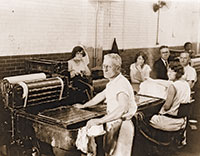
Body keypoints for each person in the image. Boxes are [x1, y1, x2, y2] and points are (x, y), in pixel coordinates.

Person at [74, 53, 137, 156]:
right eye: (104, 66)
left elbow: (122, 108)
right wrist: (84, 106)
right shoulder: (112, 82)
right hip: (114, 123)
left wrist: (99, 120)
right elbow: (101, 95)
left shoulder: (121, 84)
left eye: (109, 66)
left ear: (118, 68)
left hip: (122, 126)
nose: (105, 69)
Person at [150, 62, 191, 132]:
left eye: (171, 72)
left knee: (147, 119)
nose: (168, 74)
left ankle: (157, 141)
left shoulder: (173, 86)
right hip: (182, 121)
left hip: (172, 121)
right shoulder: (186, 84)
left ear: (177, 73)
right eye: (168, 71)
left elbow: (167, 107)